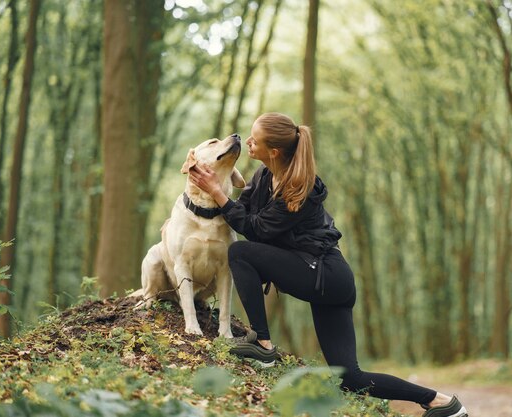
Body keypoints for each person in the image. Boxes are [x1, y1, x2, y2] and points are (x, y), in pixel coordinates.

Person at [190, 112, 468, 417]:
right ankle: (440, 401)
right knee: (350, 378)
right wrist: (212, 193)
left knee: (241, 253)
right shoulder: (264, 176)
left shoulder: (301, 188)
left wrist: (217, 192)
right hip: (322, 279)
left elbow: (257, 230)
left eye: (255, 138)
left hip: (327, 276)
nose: (249, 141)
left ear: (274, 151)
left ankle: (263, 343)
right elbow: (241, 212)